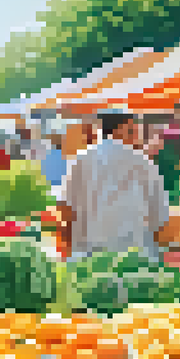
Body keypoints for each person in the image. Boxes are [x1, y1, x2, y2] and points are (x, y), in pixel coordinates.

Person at [59, 110, 170, 262]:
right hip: (135, 258)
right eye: (134, 128)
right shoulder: (144, 163)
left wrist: (69, 250)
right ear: (124, 128)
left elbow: (65, 210)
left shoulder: (81, 160)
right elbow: (159, 216)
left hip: (88, 257)